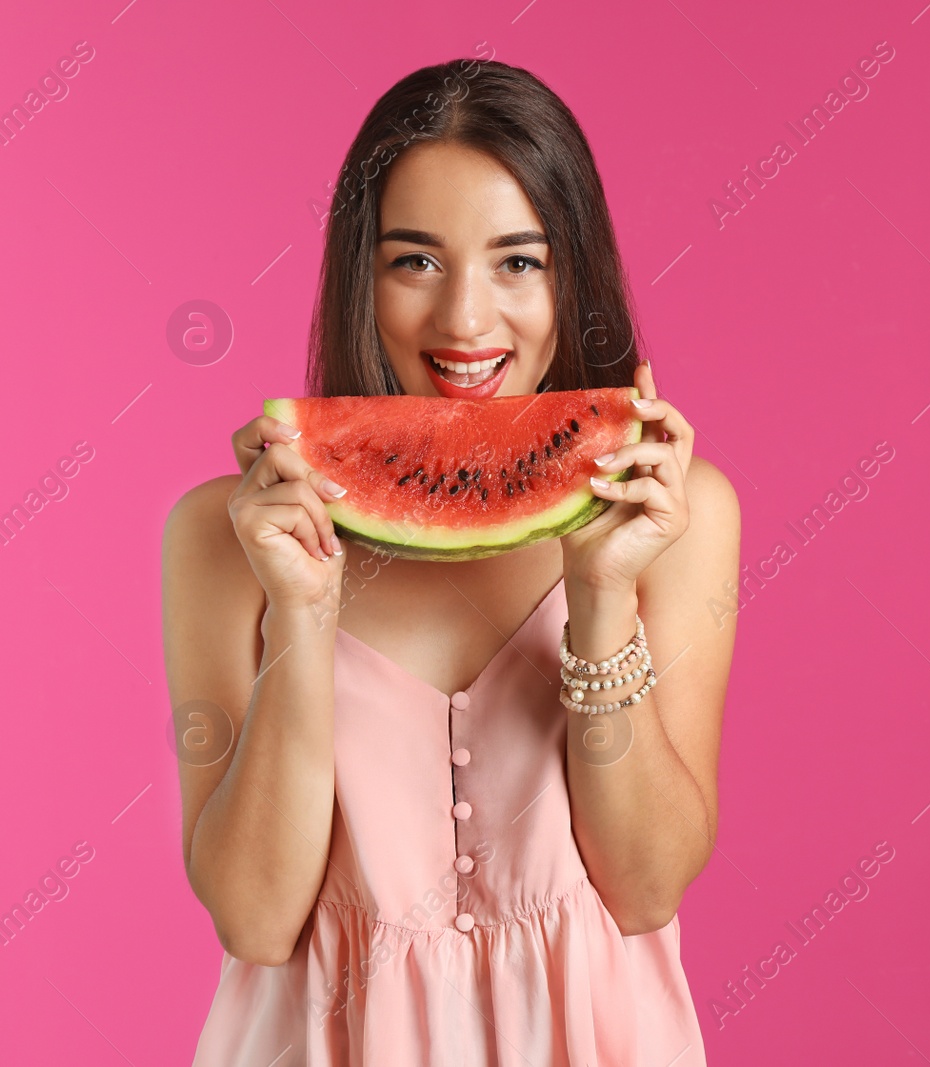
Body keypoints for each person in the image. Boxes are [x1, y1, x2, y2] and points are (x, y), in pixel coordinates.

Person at [162, 57, 738, 1065]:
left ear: (576, 274)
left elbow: (645, 887)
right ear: (360, 274)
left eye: (520, 261)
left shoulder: (677, 517)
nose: (466, 319)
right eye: (415, 261)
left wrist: (600, 594)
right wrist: (301, 610)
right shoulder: (226, 534)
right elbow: (255, 921)